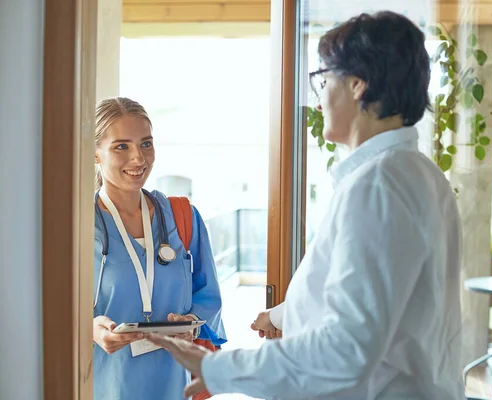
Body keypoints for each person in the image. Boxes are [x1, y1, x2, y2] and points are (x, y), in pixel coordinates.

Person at [149, 11, 464, 400]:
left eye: (322, 79)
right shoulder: (420, 175)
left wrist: (217, 367)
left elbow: (346, 348)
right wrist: (282, 314)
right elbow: (374, 289)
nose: (317, 97)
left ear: (356, 85)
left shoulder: (378, 185)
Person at [92, 97, 227, 399]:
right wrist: (90, 329)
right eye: (122, 146)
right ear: (96, 153)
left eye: (146, 144)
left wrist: (192, 322)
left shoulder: (181, 217)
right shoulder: (78, 225)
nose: (138, 158)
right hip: (107, 383)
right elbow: (53, 312)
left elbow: (209, 298)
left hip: (173, 384)